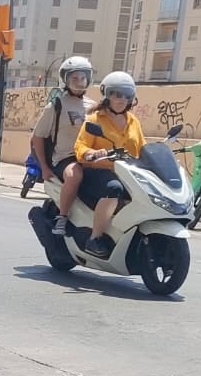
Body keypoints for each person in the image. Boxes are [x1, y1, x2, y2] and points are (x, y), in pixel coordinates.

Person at [74, 71, 146, 258]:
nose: (121, 99)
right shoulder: (95, 120)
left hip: (127, 172)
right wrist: (92, 153)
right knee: (114, 188)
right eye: (116, 94)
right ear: (107, 95)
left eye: (126, 95)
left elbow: (142, 148)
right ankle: (95, 238)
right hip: (99, 170)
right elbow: (80, 146)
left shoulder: (133, 122)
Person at [30, 56, 95, 236]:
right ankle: (62, 217)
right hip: (65, 158)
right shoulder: (56, 105)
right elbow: (38, 137)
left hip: (90, 156)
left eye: (83, 77)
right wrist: (44, 167)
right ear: (65, 79)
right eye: (74, 78)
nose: (79, 82)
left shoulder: (93, 106)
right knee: (74, 175)